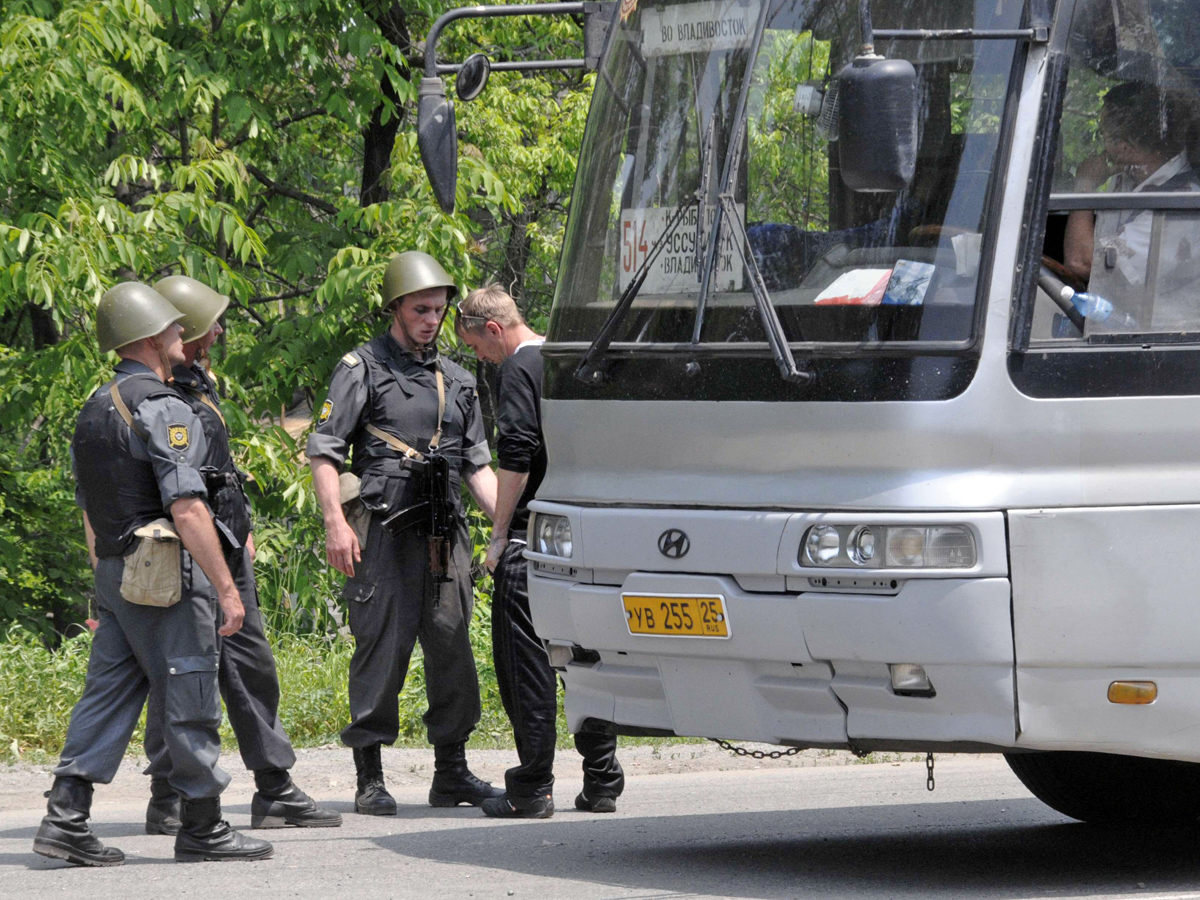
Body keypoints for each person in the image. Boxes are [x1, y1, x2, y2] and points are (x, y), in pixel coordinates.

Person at [33, 283, 272, 866]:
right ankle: (203, 826)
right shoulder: (164, 406)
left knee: (107, 694)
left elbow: (89, 507)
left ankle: (65, 817)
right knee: (191, 688)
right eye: (172, 327)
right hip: (167, 575)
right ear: (148, 338)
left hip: (118, 572)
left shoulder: (94, 407)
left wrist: (104, 580)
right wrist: (225, 589)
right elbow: (187, 507)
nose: (181, 334)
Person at [125, 275, 339, 833]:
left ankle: (274, 786)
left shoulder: (198, 383)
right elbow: (176, 490)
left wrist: (239, 528)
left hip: (224, 542)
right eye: (211, 323)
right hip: (185, 550)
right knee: (181, 671)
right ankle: (169, 795)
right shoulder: (162, 396)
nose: (220, 331)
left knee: (250, 665)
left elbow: (216, 470)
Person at [307, 251, 502, 816]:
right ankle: (369, 776)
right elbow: (324, 450)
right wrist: (335, 523)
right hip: (383, 533)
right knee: (381, 649)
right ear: (396, 307)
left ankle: (452, 771)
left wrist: (508, 530)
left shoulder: (459, 380)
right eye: (421, 310)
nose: (431, 320)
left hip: (443, 534)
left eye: (439, 311)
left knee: (452, 647)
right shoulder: (361, 368)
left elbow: (477, 466)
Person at [455, 284, 625, 819]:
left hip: (536, 539)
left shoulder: (519, 369)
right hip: (590, 538)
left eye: (478, 347)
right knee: (586, 659)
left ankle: (532, 786)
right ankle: (602, 779)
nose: (483, 359)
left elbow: (518, 451)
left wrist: (500, 532)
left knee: (526, 664)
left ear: (494, 329)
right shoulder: (573, 359)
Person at [1062, 80, 1200, 327]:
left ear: (1125, 147)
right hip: (1116, 320)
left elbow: (1081, 262)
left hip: (1157, 336)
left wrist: (1084, 185)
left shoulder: (1178, 203)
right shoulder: (1129, 177)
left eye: (1103, 135)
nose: (1102, 145)